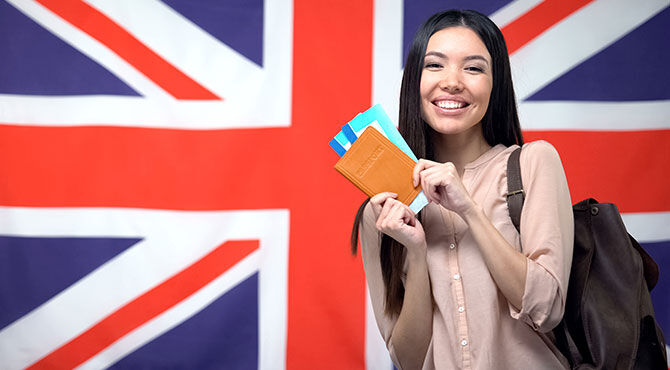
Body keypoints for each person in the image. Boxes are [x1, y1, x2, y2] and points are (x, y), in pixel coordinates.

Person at [350, 9, 574, 370]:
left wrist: (469, 209)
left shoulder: (533, 163)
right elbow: (407, 359)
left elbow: (547, 310)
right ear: (414, 81)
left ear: (495, 83)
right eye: (435, 65)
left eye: (473, 68)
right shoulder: (382, 211)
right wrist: (417, 252)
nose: (452, 82)